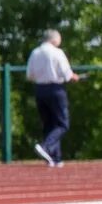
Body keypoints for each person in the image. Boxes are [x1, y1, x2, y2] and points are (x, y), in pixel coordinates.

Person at [26, 28, 76, 167]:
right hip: (55, 89)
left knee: (49, 124)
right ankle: (46, 146)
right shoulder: (57, 52)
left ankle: (55, 158)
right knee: (63, 123)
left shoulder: (35, 52)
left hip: (40, 89)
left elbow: (29, 75)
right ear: (54, 39)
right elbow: (66, 73)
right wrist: (73, 76)